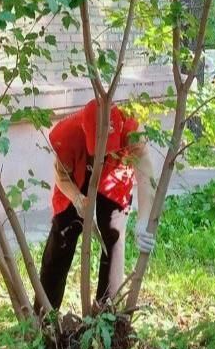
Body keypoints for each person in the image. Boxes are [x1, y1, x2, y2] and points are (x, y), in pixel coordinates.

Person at [39, 99, 156, 311]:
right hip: (76, 179)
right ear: (85, 130)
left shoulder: (132, 130)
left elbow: (146, 175)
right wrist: (76, 198)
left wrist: (143, 220)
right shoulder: (66, 134)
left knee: (113, 237)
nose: (103, 154)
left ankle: (106, 316)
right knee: (62, 238)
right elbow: (62, 177)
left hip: (114, 181)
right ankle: (44, 315)